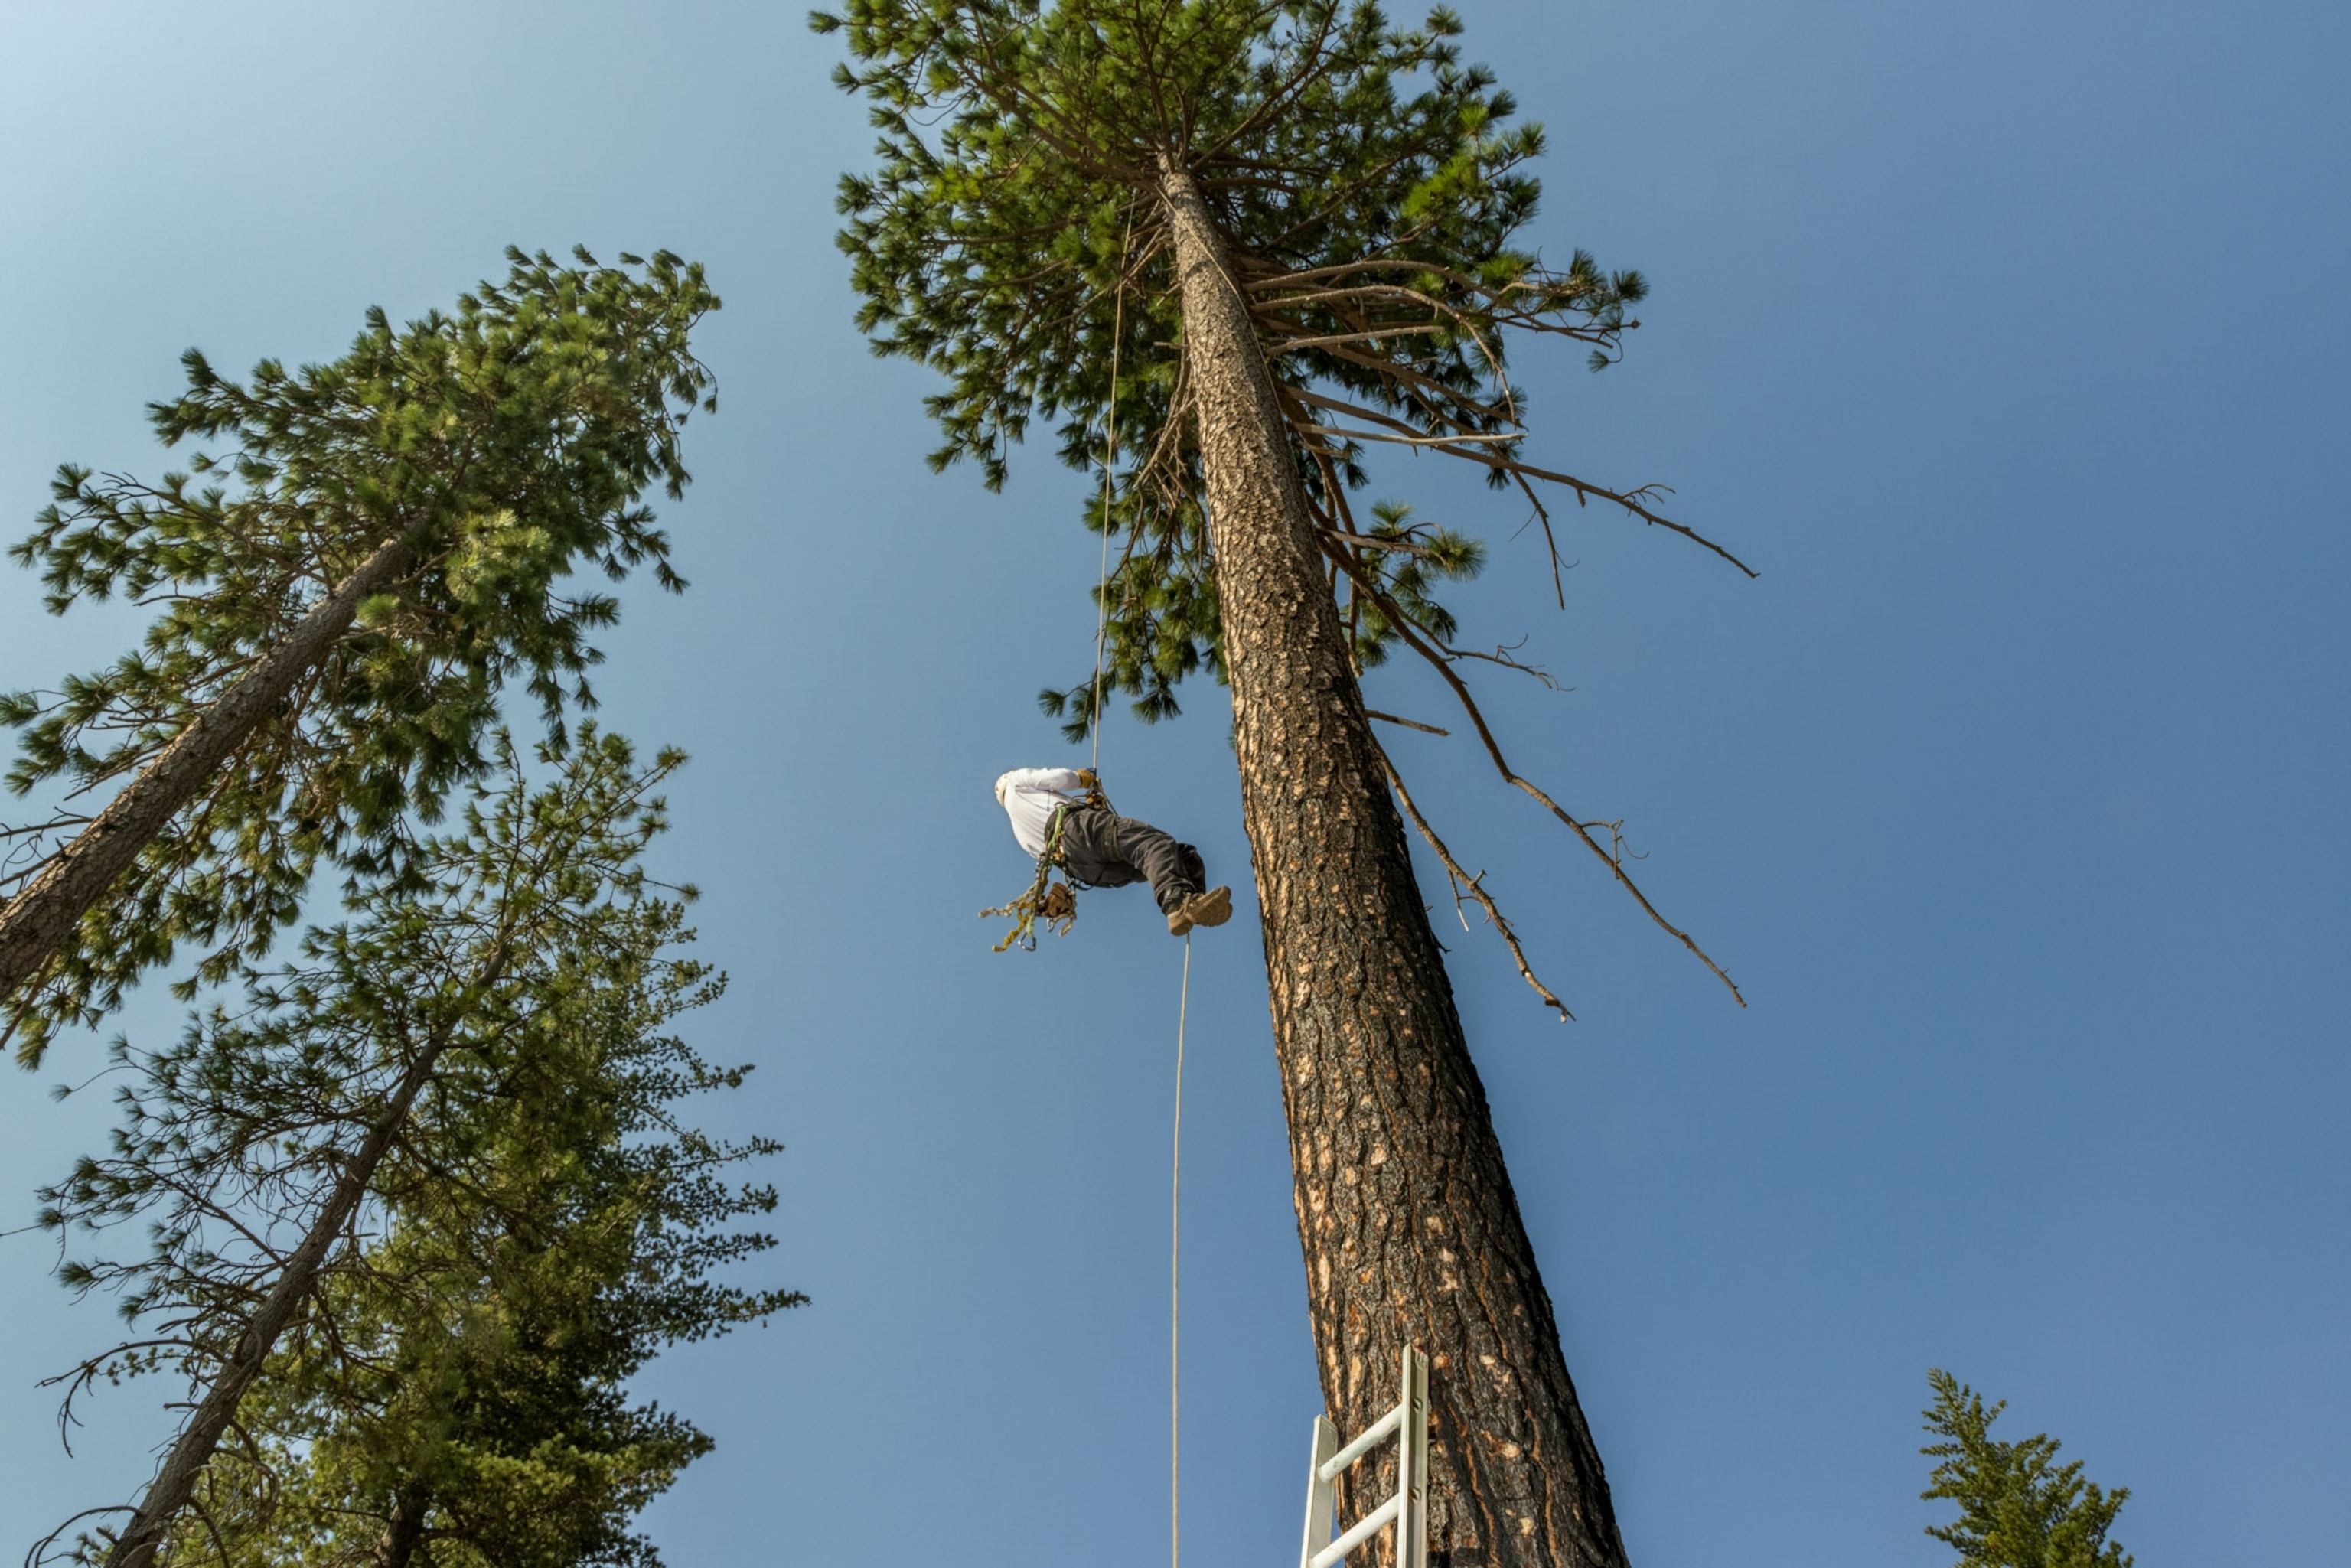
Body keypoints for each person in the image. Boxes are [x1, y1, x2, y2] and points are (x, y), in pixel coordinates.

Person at [993, 767, 1233, 936]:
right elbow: (1060, 778)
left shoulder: (1020, 834)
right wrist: (1081, 779)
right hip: (1078, 830)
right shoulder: (1016, 781)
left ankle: (1193, 902)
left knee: (1178, 856)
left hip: (1088, 871)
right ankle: (1177, 903)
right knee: (1153, 843)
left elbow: (1054, 857)